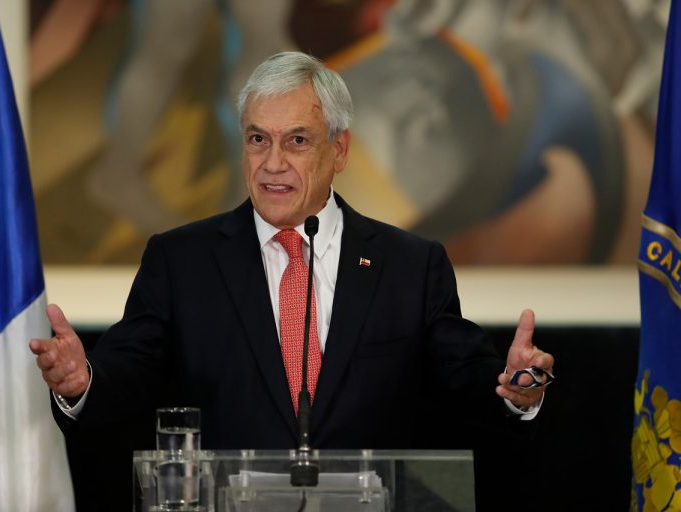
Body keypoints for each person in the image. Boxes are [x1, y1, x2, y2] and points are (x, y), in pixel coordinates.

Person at [30, 50, 554, 506]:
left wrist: (518, 389)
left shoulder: (409, 265)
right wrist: (84, 382)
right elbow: (129, 369)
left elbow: (468, 379)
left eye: (297, 140)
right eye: (258, 139)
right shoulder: (182, 260)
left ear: (339, 150)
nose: (272, 163)